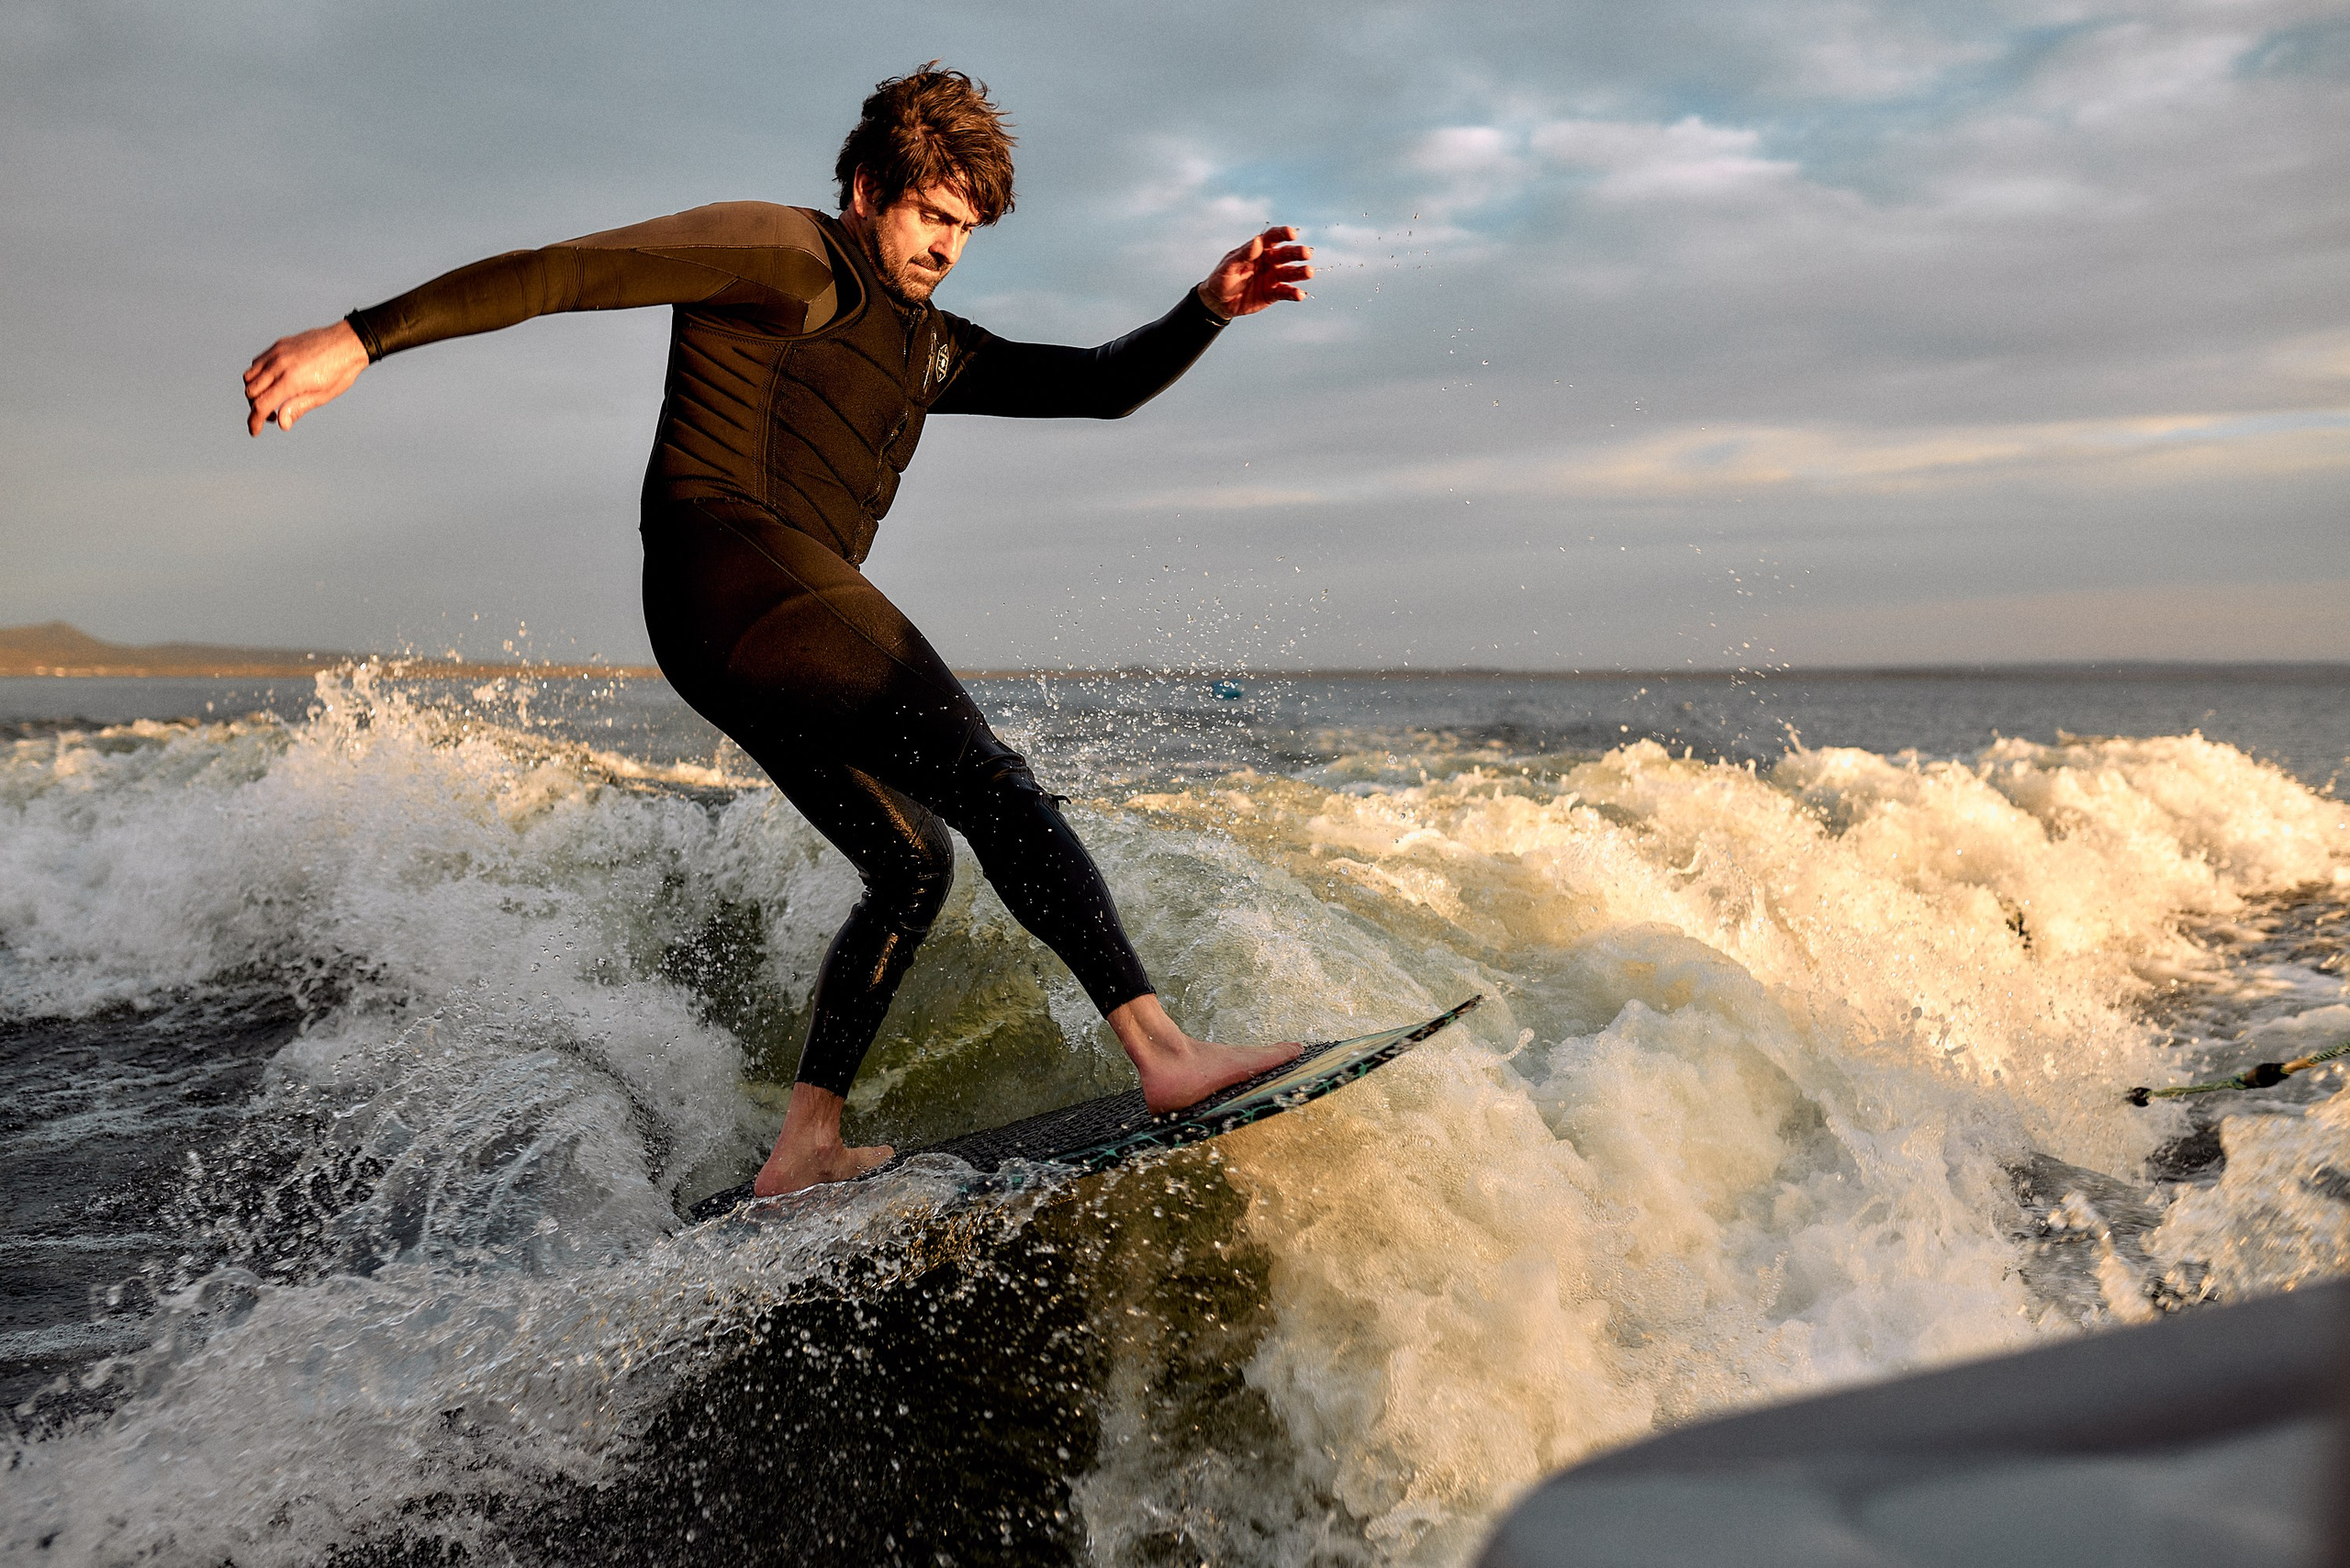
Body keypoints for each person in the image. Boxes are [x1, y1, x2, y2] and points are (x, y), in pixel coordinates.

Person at [241, 65, 1314, 1197]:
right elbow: (566, 270)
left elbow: (1096, 384)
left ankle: (806, 1142)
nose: (946, 247)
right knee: (991, 779)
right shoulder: (782, 253)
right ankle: (1164, 1051)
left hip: (749, 631)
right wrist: (360, 338)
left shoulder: (925, 343)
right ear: (866, 190)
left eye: (964, 228)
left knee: (913, 862)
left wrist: (1205, 309)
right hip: (726, 573)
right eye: (930, 215)